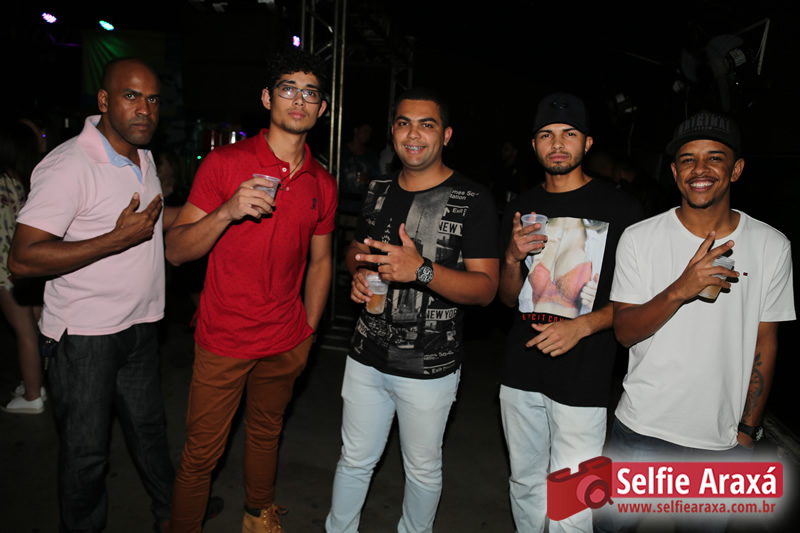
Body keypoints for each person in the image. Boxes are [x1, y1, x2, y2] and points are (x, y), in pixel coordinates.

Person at [165, 48, 337, 533]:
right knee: (202, 453)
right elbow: (175, 250)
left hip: (285, 339)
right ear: (267, 97)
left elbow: (321, 261)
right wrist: (226, 211)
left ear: (322, 108)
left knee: (266, 435)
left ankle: (259, 518)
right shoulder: (225, 163)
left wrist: (308, 332)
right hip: (224, 337)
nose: (299, 100)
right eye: (288, 89)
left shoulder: (322, 182)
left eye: (310, 93)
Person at [602, 112, 795, 529]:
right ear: (674, 173)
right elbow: (624, 332)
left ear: (736, 169)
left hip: (719, 442)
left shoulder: (772, 245)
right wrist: (680, 288)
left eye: (714, 158)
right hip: (641, 429)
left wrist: (747, 432)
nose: (700, 169)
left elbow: (765, 341)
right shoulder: (639, 238)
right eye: (688, 160)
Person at [8, 58, 174, 532]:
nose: (144, 109)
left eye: (153, 99)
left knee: (150, 433)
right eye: (131, 96)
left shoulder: (143, 156)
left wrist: (223, 210)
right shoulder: (69, 165)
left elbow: (152, 224)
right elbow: (22, 259)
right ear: (103, 100)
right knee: (86, 454)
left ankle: (175, 514)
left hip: (140, 326)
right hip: (84, 338)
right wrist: (113, 240)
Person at [325, 88, 500, 533]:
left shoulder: (473, 198)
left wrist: (420, 270)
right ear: (393, 131)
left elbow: (485, 289)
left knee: (421, 470)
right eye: (404, 123)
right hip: (365, 355)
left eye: (427, 124)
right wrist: (359, 273)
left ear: (446, 135)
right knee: (353, 460)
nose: (413, 134)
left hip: (428, 368)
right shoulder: (378, 189)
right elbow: (354, 251)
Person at [497, 93, 642, 533]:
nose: (557, 144)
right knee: (524, 483)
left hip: (584, 374)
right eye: (546, 135)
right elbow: (508, 299)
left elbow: (638, 303)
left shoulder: (622, 209)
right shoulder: (520, 205)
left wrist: (583, 326)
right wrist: (510, 258)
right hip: (520, 370)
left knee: (575, 499)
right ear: (534, 145)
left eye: (569, 134)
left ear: (587, 143)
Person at [1, 120, 45, 414]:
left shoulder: (3, 180)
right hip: (27, 266)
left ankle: (33, 396)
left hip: (6, 270)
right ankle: (35, 384)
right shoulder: (22, 180)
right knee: (35, 329)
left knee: (25, 332)